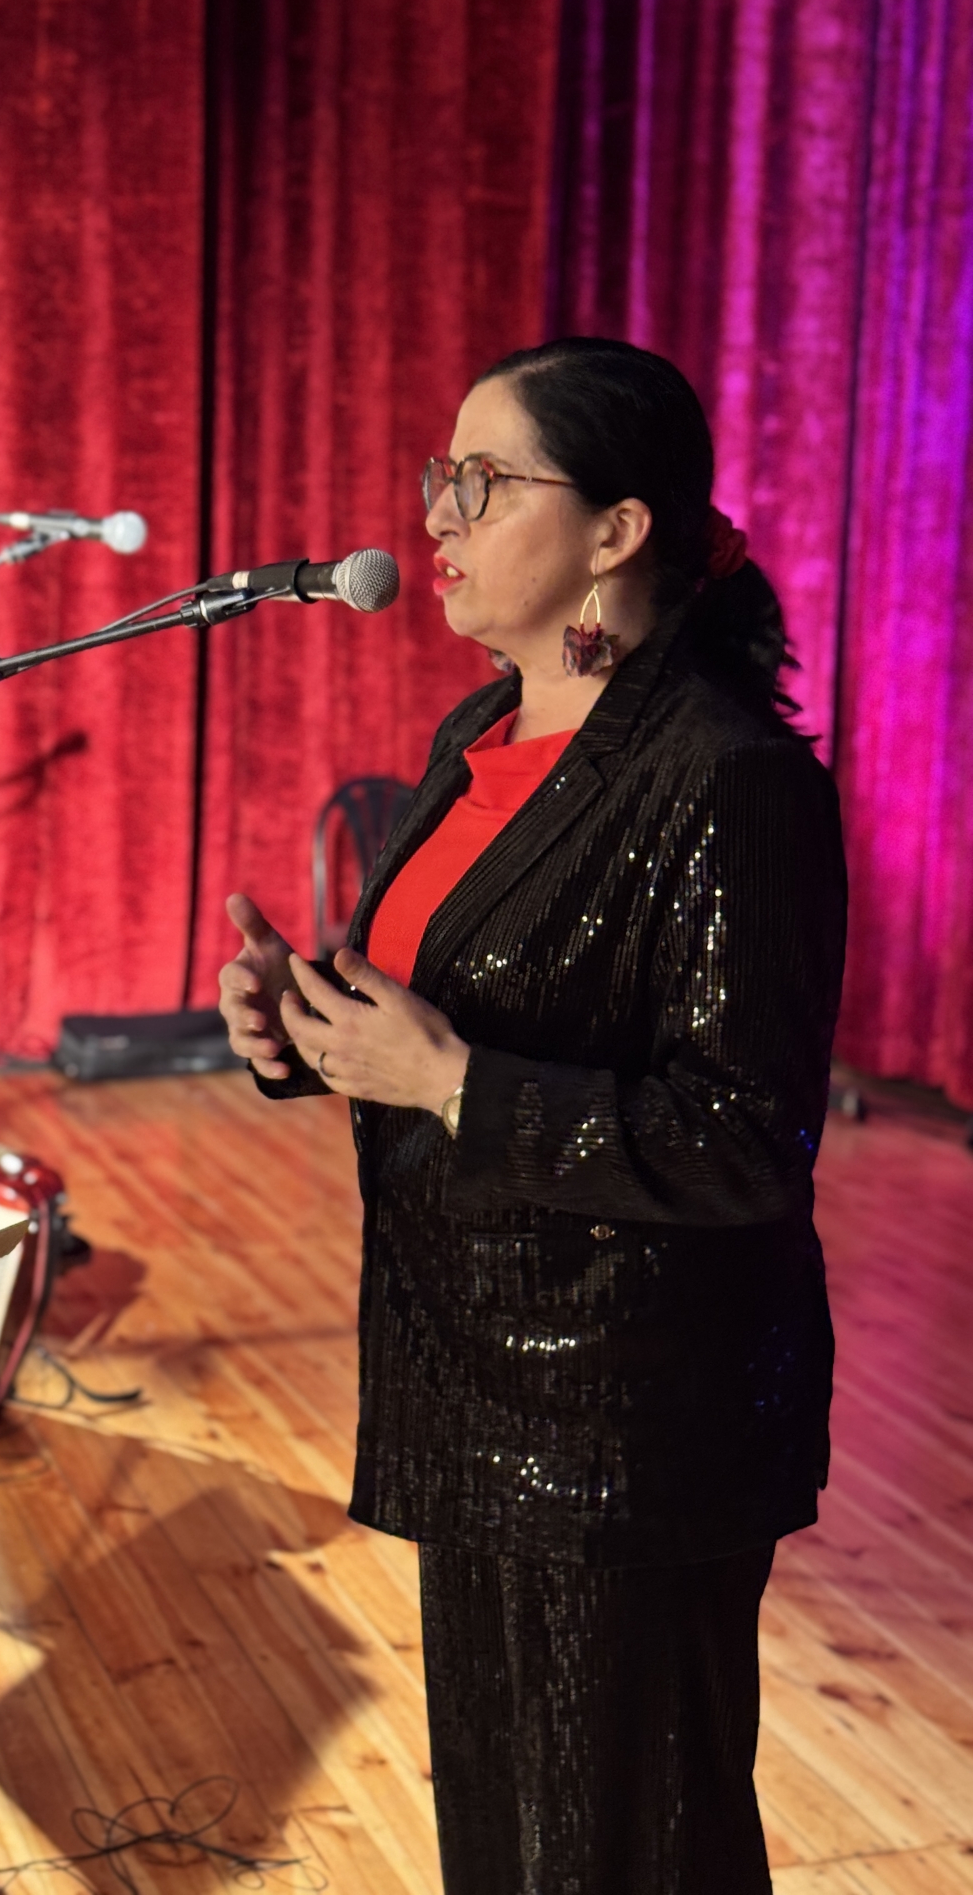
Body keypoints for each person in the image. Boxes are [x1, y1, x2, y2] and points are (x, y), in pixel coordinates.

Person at [218, 337, 847, 1895]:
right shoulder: (481, 736)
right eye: (444, 477)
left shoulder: (728, 779)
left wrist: (451, 1084)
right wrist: (301, 1032)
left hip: (629, 1420)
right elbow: (451, 1016)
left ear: (618, 529)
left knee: (628, 1848)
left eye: (485, 482)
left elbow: (741, 1141)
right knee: (510, 1840)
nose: (438, 515)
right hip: (472, 1375)